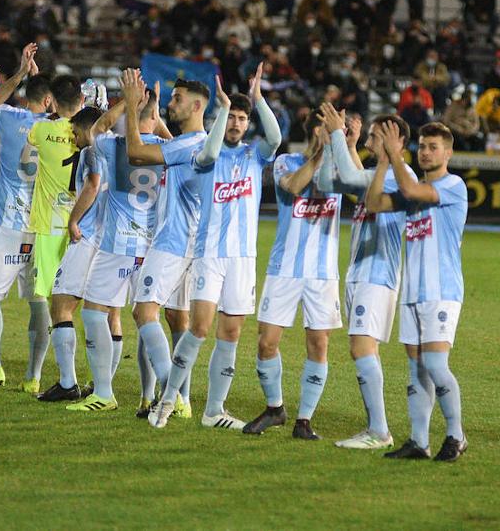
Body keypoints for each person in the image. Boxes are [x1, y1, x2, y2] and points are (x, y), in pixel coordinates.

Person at [149, 65, 282, 431]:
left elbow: (276, 137)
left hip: (243, 258)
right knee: (200, 328)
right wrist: (221, 112)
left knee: (231, 334)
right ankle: (167, 399)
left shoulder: (255, 155)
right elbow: (208, 155)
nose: (237, 124)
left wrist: (259, 99)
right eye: (232, 117)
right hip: (209, 255)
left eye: (242, 118)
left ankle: (214, 410)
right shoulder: (205, 154)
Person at [317, 103, 414, 450]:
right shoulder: (378, 173)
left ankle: (379, 430)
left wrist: (337, 137)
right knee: (360, 349)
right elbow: (330, 179)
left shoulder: (402, 177)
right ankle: (376, 428)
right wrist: (338, 142)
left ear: (397, 139)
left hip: (378, 273)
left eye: (377, 133)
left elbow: (349, 176)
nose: (371, 137)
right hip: (359, 270)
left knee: (362, 348)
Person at [242, 118, 345, 440]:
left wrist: (342, 148)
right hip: (284, 269)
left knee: (319, 343)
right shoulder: (288, 160)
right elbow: (293, 186)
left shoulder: (342, 170)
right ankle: (275, 408)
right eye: (328, 128)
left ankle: (304, 420)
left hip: (322, 273)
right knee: (266, 341)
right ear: (315, 130)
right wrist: (319, 156)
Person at [70, 83, 169, 414]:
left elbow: (96, 129)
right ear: (154, 117)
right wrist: (152, 112)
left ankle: (103, 392)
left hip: (117, 245)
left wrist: (127, 102)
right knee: (146, 320)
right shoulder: (168, 150)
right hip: (153, 249)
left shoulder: (115, 146)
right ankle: (153, 396)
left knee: (93, 311)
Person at [375, 122, 470, 462]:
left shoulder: (453, 186)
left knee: (435, 362)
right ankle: (418, 441)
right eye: (422, 146)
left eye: (433, 146)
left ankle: (456, 435)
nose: (426, 152)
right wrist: (385, 161)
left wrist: (396, 156)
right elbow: (373, 203)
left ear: (448, 152)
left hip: (441, 289)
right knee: (416, 366)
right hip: (413, 291)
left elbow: (414, 193)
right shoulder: (412, 187)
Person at [0, 46, 54, 394]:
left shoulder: (11, 119)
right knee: (39, 301)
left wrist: (19, 74)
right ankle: (33, 376)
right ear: (50, 101)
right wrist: (36, 79)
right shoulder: (59, 127)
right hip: (44, 227)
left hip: (8, 223)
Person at [125, 73, 211, 421]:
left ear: (196, 105)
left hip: (172, 240)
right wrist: (160, 123)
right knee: (178, 319)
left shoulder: (186, 146)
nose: (171, 104)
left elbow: (135, 152)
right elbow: (177, 148)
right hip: (195, 242)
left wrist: (132, 106)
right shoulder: (200, 144)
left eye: (176, 99)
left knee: (144, 311)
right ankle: (185, 400)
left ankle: (169, 392)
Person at [35, 103, 113, 403]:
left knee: (61, 305)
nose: (73, 136)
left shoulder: (92, 150)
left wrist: (73, 220)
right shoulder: (113, 151)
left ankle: (68, 382)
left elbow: (92, 186)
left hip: (88, 237)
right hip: (109, 240)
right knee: (106, 314)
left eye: (75, 130)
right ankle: (101, 384)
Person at [25, 75, 90, 401]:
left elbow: (33, 124)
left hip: (52, 226)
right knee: (92, 305)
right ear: (81, 100)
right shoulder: (88, 133)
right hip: (84, 226)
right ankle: (96, 380)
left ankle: (66, 378)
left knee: (56, 306)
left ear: (51, 99)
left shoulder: (43, 130)